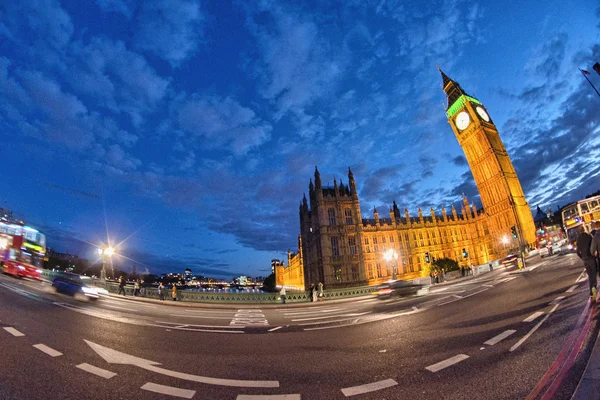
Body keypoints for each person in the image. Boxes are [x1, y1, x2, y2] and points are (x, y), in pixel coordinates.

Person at [577, 226, 597, 299]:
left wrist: (582, 257)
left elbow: (577, 252)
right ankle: (594, 287)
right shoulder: (589, 236)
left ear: (579, 231)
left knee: (590, 275)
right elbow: (593, 247)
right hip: (591, 258)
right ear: (584, 229)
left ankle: (591, 292)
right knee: (594, 274)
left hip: (585, 259)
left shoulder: (578, 239)